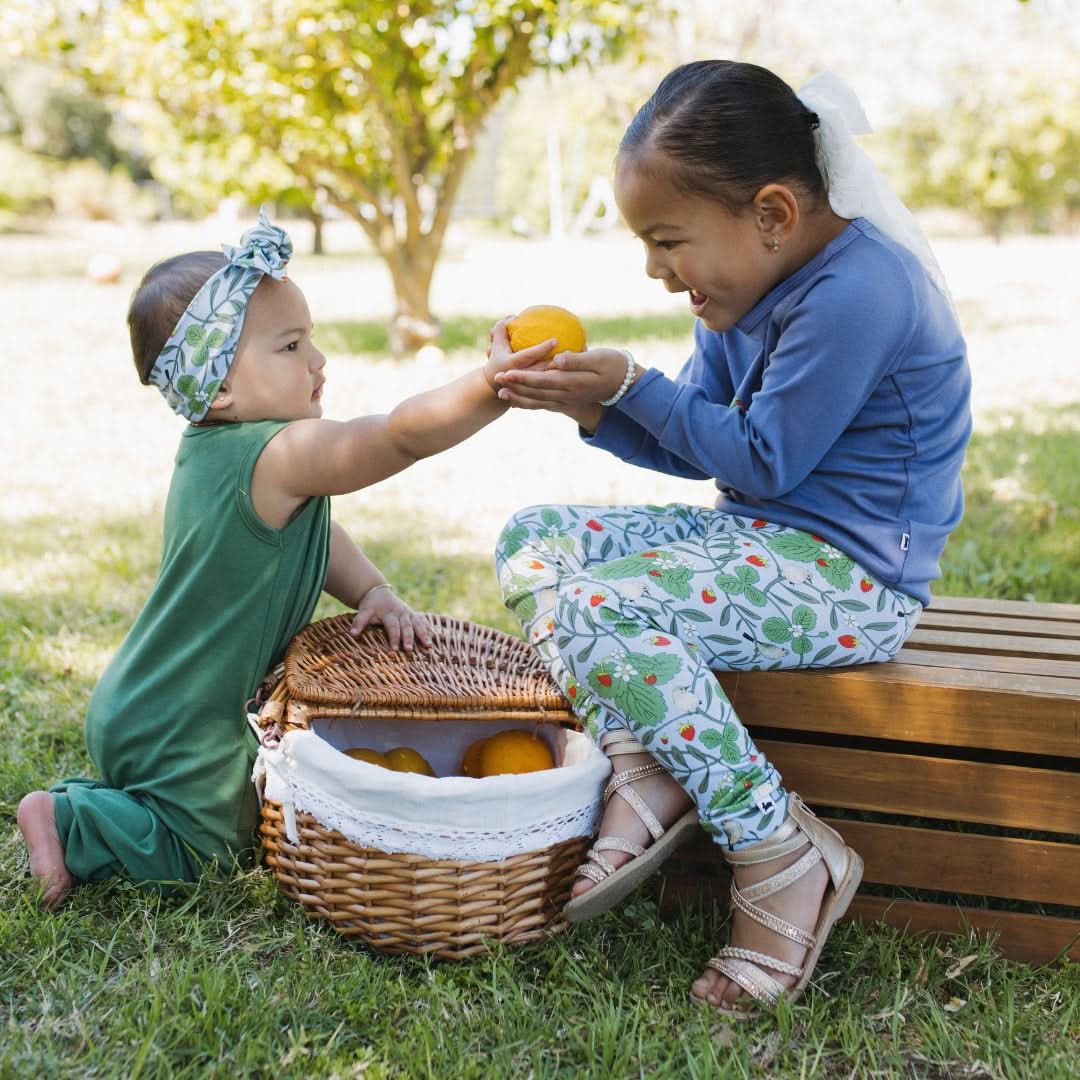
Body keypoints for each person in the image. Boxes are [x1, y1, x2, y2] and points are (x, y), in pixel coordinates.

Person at [492, 60, 971, 1016]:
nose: (655, 270)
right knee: (538, 539)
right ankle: (650, 765)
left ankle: (783, 853)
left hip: (853, 581)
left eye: (668, 241)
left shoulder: (862, 288)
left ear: (773, 213)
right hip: (760, 547)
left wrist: (632, 383)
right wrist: (595, 405)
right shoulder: (742, 290)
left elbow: (763, 458)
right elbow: (698, 438)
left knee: (605, 601)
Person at [17, 211, 553, 909]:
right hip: (183, 714)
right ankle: (69, 819)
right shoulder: (276, 453)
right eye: (291, 345)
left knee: (211, 807)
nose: (318, 361)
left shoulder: (226, 453)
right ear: (218, 388)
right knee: (204, 848)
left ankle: (111, 796)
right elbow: (392, 438)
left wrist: (373, 591)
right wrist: (488, 387)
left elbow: (318, 537)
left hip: (155, 698)